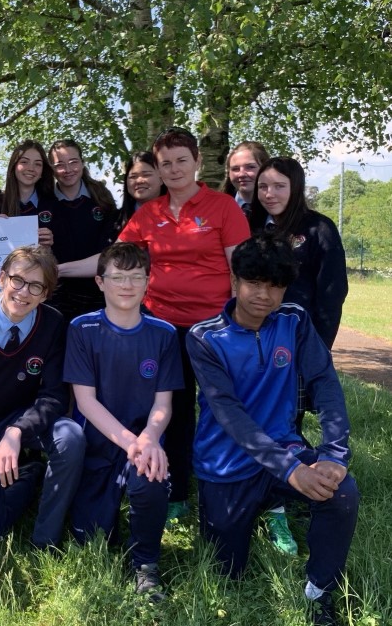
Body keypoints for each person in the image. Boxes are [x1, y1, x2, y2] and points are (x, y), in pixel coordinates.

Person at [58, 128, 250, 523]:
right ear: (158, 170)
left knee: (221, 406)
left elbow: (241, 270)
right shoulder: (149, 213)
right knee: (173, 408)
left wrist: (238, 324)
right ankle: (175, 489)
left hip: (213, 329)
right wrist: (54, 269)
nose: (174, 169)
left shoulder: (223, 207)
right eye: (166, 163)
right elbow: (110, 260)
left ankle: (228, 485)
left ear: (197, 162)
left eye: (182, 160)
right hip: (162, 329)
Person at [187, 234, 359, 626]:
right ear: (235, 282)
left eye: (275, 285)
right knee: (225, 574)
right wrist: (291, 470)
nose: (264, 295)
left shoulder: (294, 320)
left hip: (285, 450)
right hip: (225, 463)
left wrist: (334, 453)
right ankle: (257, 510)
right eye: (254, 283)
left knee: (341, 492)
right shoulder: (204, 337)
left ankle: (320, 593)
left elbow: (324, 382)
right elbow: (230, 414)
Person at [0, 245, 85, 549]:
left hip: (27, 422)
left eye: (36, 286)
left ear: (45, 294)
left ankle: (45, 538)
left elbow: (54, 396)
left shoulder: (53, 324)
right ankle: (30, 475)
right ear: (2, 278)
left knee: (71, 437)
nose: (23, 292)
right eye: (17, 280)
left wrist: (17, 431)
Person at [66, 242, 182, 602]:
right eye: (117, 277)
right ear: (100, 282)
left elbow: (163, 403)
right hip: (99, 441)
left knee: (151, 475)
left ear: (148, 281)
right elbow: (85, 402)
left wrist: (149, 438)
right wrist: (132, 442)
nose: (127, 285)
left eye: (136, 277)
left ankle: (146, 563)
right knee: (91, 538)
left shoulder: (164, 333)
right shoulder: (82, 328)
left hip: (144, 439)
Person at [250, 157, 348, 350]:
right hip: (254, 334)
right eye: (262, 187)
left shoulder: (319, 228)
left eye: (279, 186)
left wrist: (319, 347)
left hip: (300, 336)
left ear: (295, 188)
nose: (269, 194)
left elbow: (332, 292)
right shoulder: (250, 225)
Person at [47, 139, 118, 323]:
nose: (68, 169)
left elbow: (111, 251)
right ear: (51, 169)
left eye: (73, 162)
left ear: (82, 162)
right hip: (57, 294)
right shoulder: (44, 201)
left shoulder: (101, 197)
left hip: (98, 291)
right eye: (60, 165)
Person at [0, 140, 56, 247]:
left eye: (38, 164)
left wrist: (53, 242)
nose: (31, 168)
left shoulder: (54, 205)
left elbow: (65, 250)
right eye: (24, 162)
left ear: (43, 171)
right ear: (14, 166)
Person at [114, 151, 165, 235]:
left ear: (161, 179)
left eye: (146, 175)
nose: (139, 181)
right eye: (133, 177)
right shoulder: (114, 221)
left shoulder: (179, 214)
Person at [221, 141, 269, 216]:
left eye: (250, 167)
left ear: (266, 169)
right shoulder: (216, 208)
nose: (242, 174)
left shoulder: (281, 210)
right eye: (235, 169)